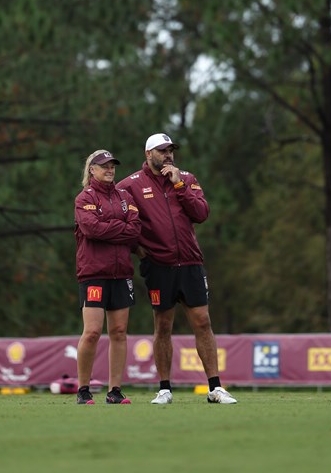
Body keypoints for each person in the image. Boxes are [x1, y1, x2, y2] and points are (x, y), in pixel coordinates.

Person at [116, 133, 237, 404]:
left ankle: (215, 388)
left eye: (171, 150)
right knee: (163, 325)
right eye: (162, 150)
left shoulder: (187, 179)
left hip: (191, 262)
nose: (168, 155)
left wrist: (180, 185)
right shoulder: (130, 185)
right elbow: (118, 217)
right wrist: (136, 247)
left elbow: (201, 214)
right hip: (159, 266)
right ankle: (164, 389)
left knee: (203, 322)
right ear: (148, 154)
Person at [74, 148, 141, 405]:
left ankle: (115, 391)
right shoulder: (84, 198)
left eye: (112, 165)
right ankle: (83, 390)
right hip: (93, 273)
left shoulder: (125, 196)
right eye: (104, 166)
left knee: (119, 332)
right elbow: (91, 229)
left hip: (121, 272)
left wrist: (110, 229)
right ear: (92, 169)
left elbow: (135, 230)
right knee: (91, 332)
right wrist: (120, 228)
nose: (110, 169)